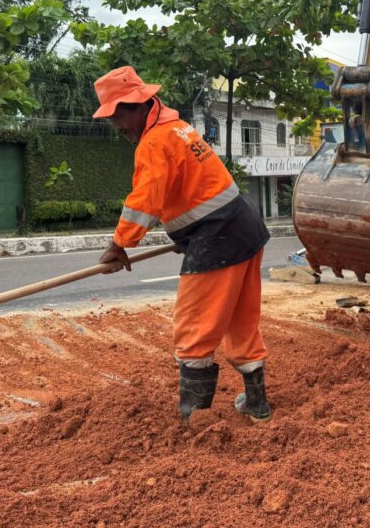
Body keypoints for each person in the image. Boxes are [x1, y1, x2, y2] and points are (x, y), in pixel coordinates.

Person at [93, 66, 271, 423]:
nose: (117, 126)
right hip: (243, 228)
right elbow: (195, 190)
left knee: (194, 327)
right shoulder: (178, 128)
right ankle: (257, 406)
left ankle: (195, 418)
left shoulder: (154, 142)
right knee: (241, 323)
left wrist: (119, 244)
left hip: (218, 237)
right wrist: (186, 235)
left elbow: (145, 201)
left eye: (118, 116)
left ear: (138, 106)